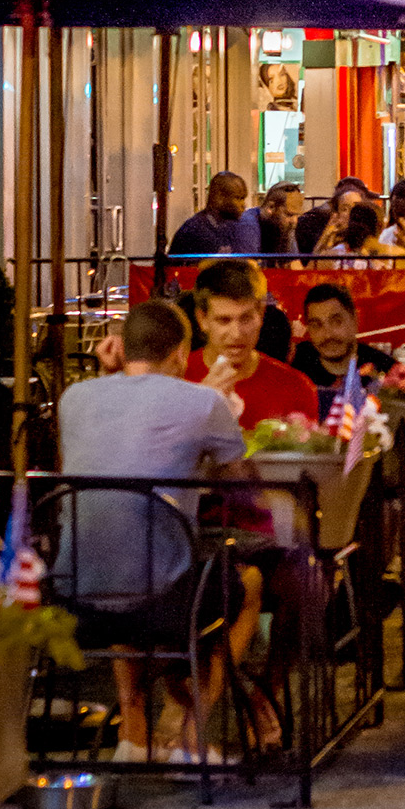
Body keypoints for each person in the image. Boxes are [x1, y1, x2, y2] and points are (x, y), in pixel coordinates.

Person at [56, 298, 249, 761]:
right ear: (183, 352)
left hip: (71, 593)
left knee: (126, 552)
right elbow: (241, 488)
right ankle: (192, 734)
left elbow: (100, 465)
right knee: (247, 585)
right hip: (159, 598)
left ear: (121, 348)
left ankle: (134, 735)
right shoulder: (203, 401)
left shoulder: (73, 398)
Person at [183, 259, 319, 428]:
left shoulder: (297, 388)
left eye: (245, 318)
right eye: (224, 320)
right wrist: (198, 406)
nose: (236, 333)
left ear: (261, 314)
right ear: (202, 319)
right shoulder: (175, 379)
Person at [289, 281, 393, 419]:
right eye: (316, 325)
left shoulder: (385, 370)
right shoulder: (294, 369)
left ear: (355, 320)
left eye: (336, 322)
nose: (327, 335)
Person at [167, 172, 261, 259]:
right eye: (238, 198)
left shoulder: (235, 228)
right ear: (218, 197)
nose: (243, 205)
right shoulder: (193, 230)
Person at [257, 182, 303, 256]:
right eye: (289, 215)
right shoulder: (248, 226)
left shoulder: (286, 229)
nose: (294, 221)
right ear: (271, 207)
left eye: (296, 215)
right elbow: (248, 266)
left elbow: (294, 264)